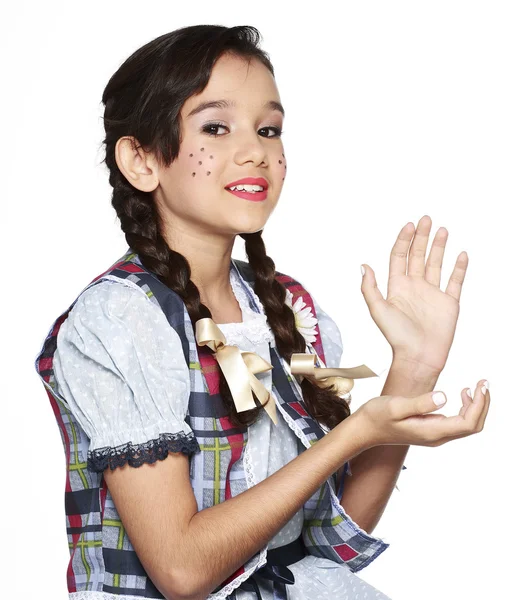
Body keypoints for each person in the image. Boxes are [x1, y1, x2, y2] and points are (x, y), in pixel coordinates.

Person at [34, 25, 490, 600]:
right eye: (216, 127)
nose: (255, 152)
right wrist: (349, 437)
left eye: (269, 129)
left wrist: (413, 371)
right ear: (142, 160)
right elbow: (182, 570)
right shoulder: (123, 321)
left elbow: (329, 542)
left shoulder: (289, 312)